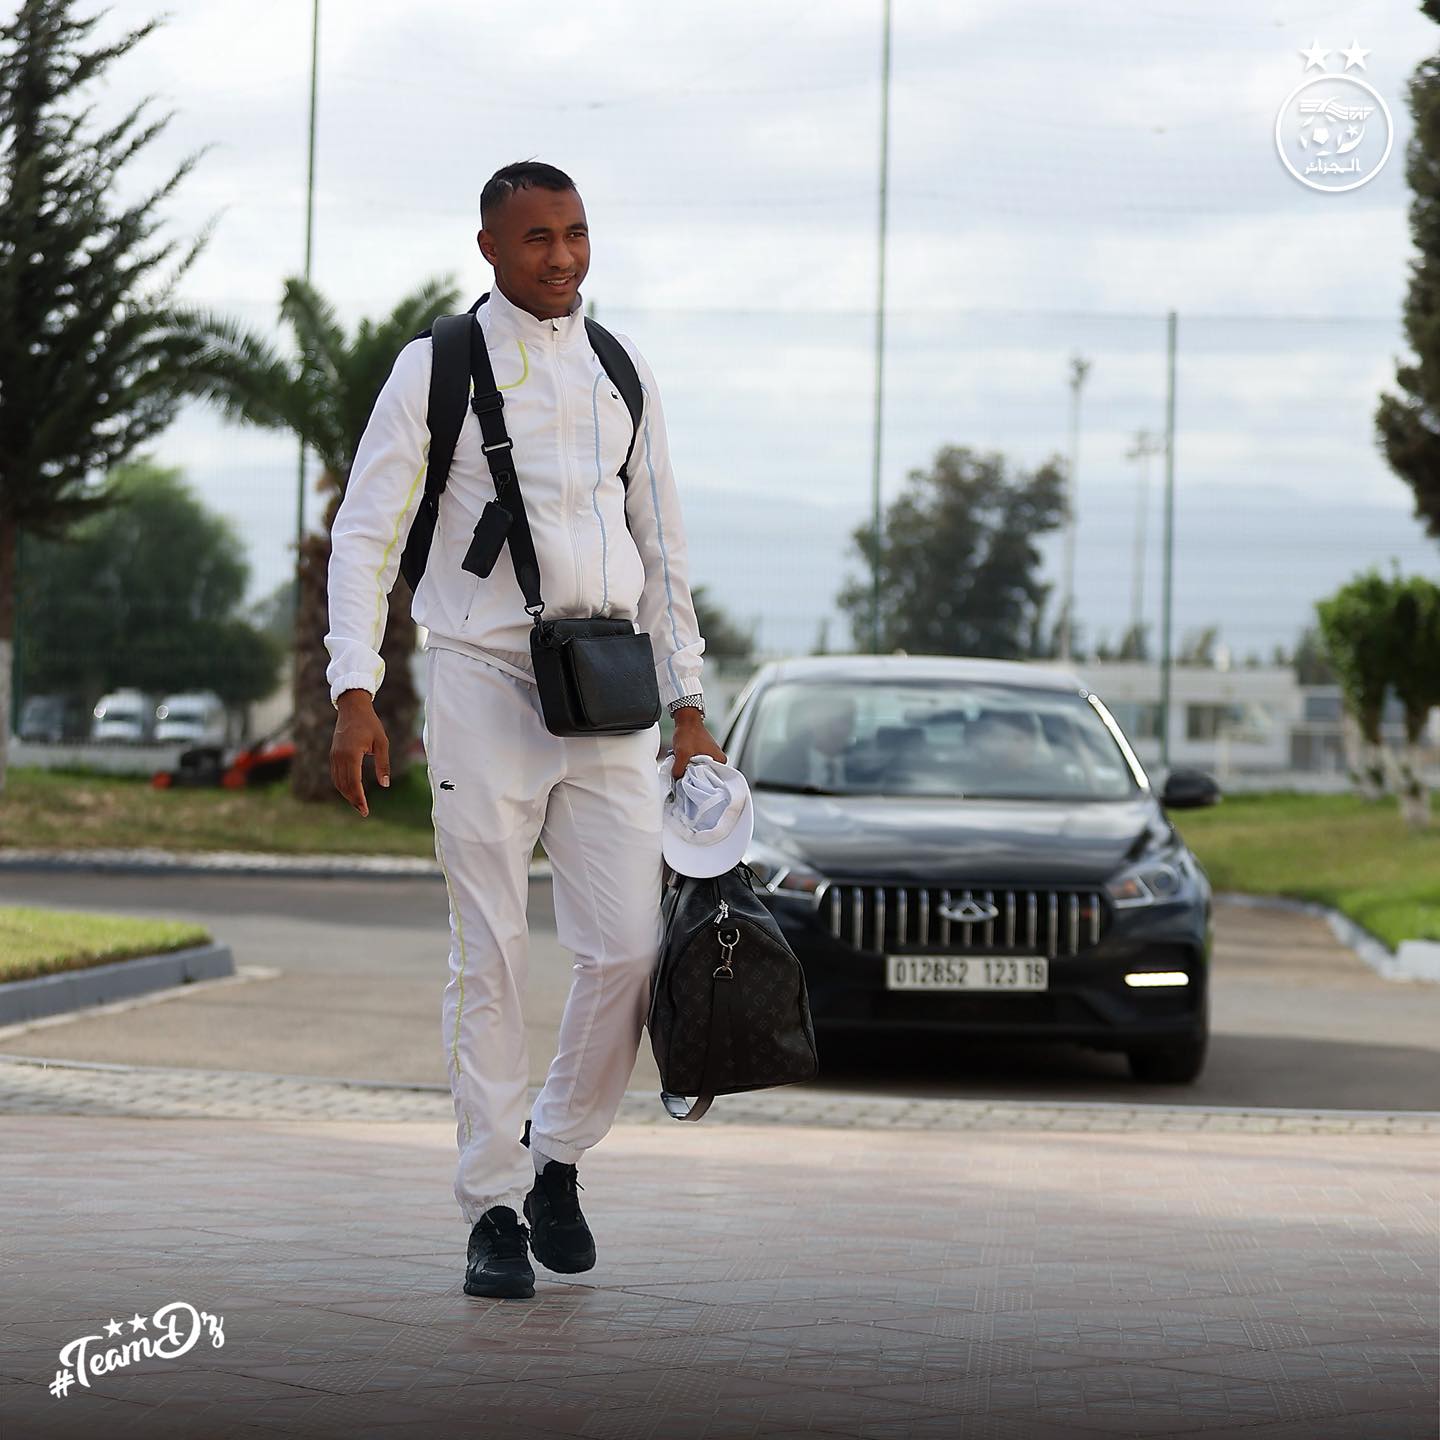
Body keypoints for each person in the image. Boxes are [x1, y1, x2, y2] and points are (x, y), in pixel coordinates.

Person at [324, 161, 727, 1301]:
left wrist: (689, 704)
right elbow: (364, 533)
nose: (562, 256)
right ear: (491, 248)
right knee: (492, 952)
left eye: (577, 233)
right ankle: (493, 1207)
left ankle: (557, 1156)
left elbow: (663, 544)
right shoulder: (438, 365)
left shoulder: (620, 369)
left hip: (609, 694)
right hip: (483, 681)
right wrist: (355, 688)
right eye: (539, 237)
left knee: (631, 951)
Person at [760, 691, 859, 790]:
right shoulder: (782, 766)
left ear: (852, 725)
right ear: (813, 723)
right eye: (827, 721)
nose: (834, 729)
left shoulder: (863, 766)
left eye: (843, 721)